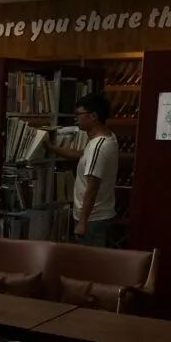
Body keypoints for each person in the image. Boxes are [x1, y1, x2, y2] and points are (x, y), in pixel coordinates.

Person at [44, 93, 118, 247]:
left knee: (89, 260)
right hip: (96, 217)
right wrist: (51, 148)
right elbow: (81, 155)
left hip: (93, 219)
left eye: (79, 114)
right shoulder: (106, 138)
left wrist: (82, 222)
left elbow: (92, 188)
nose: (76, 118)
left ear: (93, 116)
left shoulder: (98, 147)